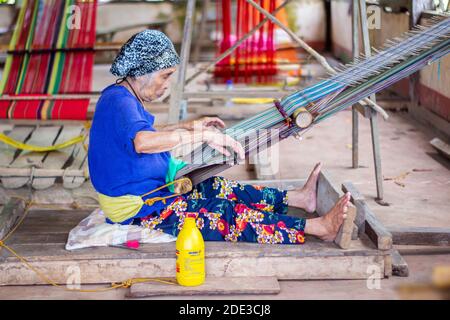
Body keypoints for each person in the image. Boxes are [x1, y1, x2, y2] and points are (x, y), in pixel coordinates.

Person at [88, 30, 351, 245]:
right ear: (141, 72)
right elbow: (143, 142)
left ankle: (299, 199)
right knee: (221, 214)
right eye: (165, 76)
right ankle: (316, 227)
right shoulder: (119, 102)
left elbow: (145, 133)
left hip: (154, 191)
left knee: (217, 187)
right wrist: (202, 135)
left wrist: (191, 126)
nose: (167, 85)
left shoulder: (123, 98)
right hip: (142, 210)